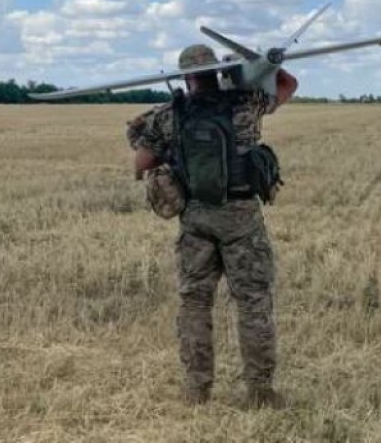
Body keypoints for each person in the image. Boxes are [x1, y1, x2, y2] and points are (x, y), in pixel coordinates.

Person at [125, 44, 298, 408]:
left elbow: (141, 163)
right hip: (241, 220)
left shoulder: (170, 115)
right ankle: (260, 393)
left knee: (194, 304)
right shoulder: (245, 104)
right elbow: (287, 83)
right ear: (215, 71)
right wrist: (250, 69)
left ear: (186, 76)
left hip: (196, 220)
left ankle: (196, 390)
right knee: (253, 304)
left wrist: (153, 139)